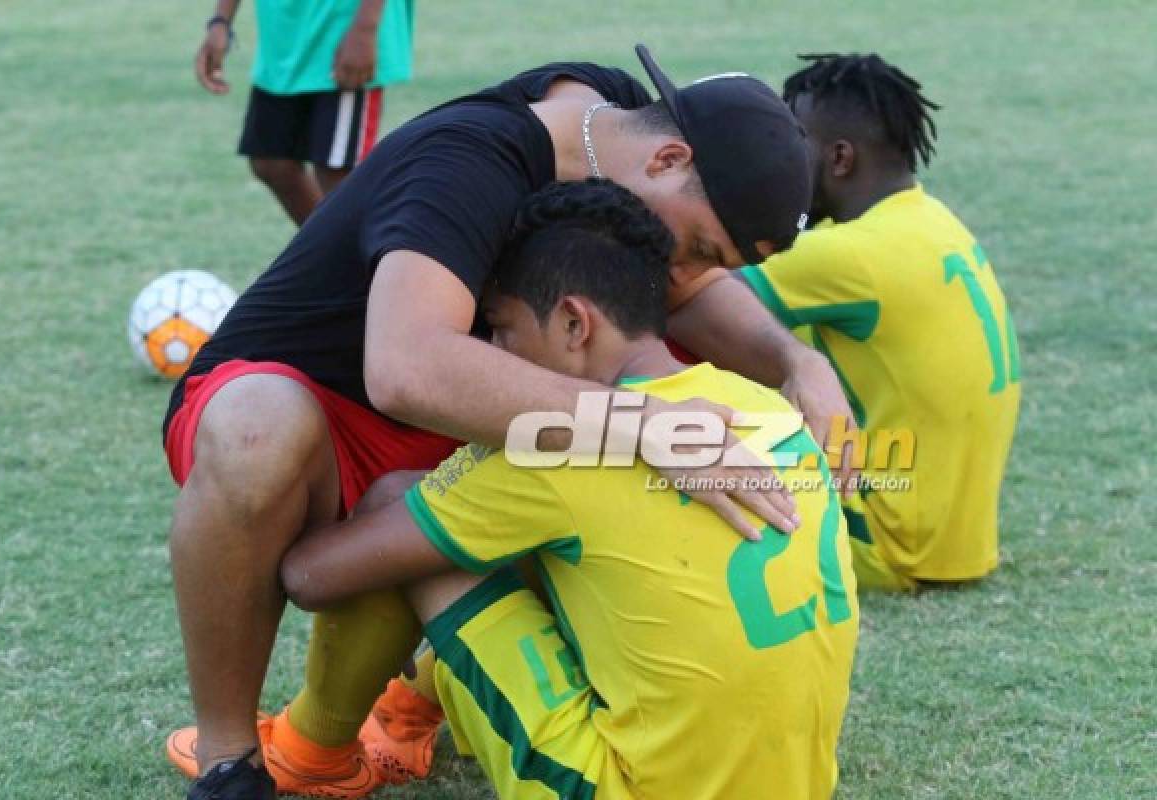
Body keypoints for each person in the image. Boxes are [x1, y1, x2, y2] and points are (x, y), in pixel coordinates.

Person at [162, 46, 855, 800]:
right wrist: (633, 421)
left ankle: (406, 709)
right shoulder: (469, 158)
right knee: (261, 427)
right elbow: (406, 367)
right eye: (694, 249)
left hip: (467, 400)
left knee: (594, 415)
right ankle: (230, 759)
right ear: (666, 158)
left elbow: (682, 295)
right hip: (325, 409)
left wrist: (796, 362)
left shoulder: (611, 121)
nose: (680, 277)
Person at [279, 178, 860, 800]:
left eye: (500, 329)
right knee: (496, 535)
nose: (494, 353)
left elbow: (312, 577)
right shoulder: (756, 403)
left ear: (573, 322)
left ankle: (309, 753)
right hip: (794, 786)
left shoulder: (558, 448)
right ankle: (409, 710)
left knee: (408, 517)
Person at [738, 53, 1021, 591]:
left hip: (889, 548)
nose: (780, 161)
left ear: (839, 158)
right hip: (953, 542)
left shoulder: (851, 255)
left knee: (692, 331)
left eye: (793, 142)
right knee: (775, 321)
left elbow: (687, 301)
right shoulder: (930, 220)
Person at [194, 0, 414, 225]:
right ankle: (330, 252)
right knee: (271, 161)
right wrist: (221, 21)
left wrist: (365, 28)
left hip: (345, 29)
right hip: (283, 36)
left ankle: (360, 254)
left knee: (337, 171)